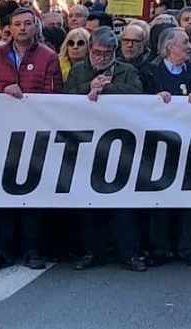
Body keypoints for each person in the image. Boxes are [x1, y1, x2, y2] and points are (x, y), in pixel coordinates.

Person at [0, 6, 60, 269]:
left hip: (35, 134)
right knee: (3, 191)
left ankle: (33, 250)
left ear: (36, 27)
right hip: (1, 134)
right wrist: (3, 88)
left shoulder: (49, 57)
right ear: (9, 28)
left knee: (32, 192)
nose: (22, 28)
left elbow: (55, 94)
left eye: (27, 24)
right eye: (17, 24)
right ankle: (2, 249)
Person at [62, 27, 146, 272]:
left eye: (106, 53)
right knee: (90, 201)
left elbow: (138, 94)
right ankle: (92, 251)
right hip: (87, 141)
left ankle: (129, 253)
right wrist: (89, 86)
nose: (100, 57)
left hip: (120, 142)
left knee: (123, 201)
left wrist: (107, 88)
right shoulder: (79, 71)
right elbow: (65, 98)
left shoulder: (126, 71)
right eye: (97, 52)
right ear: (90, 49)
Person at [145, 27, 191, 265]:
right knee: (160, 196)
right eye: (185, 42)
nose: (190, 46)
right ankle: (161, 248)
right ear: (170, 47)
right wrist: (153, 100)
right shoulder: (150, 73)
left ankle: (190, 249)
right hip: (159, 145)